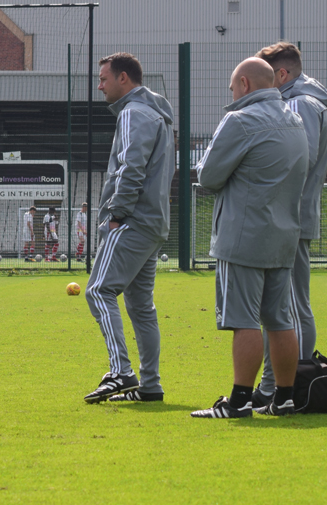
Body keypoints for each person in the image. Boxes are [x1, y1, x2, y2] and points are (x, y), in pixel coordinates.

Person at [191, 57, 308, 418]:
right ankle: (284, 397)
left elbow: (208, 176)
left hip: (242, 236)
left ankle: (239, 401)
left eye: (232, 88)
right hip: (284, 234)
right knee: (280, 319)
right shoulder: (296, 120)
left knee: (243, 320)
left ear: (243, 84)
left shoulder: (239, 120)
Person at [82, 53, 176, 404]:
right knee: (141, 307)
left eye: (104, 78)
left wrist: (117, 214)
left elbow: (130, 167)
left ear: (124, 78)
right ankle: (150, 386)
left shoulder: (132, 113)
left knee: (98, 291)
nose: (100, 85)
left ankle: (121, 372)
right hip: (154, 222)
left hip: (132, 220)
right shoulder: (159, 116)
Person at [252, 42, 327, 410]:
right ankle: (286, 384)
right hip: (294, 214)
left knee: (292, 306)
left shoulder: (299, 104)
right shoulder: (309, 100)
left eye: (267, 78)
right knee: (291, 303)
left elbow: (300, 158)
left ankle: (291, 385)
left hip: (290, 216)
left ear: (282, 75)